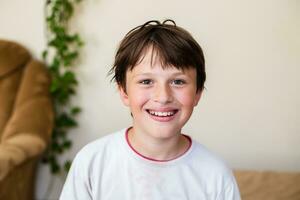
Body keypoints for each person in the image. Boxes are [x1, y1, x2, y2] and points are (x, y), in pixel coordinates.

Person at [60, 19, 241, 200]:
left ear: (197, 93)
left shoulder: (216, 175)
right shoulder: (92, 162)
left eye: (178, 81)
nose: (163, 97)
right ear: (124, 91)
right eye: (146, 81)